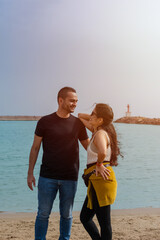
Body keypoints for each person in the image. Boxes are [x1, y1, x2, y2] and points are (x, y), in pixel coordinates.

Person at [27, 87, 89, 240]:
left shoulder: (78, 124)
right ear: (60, 100)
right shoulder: (45, 121)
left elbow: (89, 147)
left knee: (67, 215)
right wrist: (30, 173)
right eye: (72, 100)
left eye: (76, 101)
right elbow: (35, 148)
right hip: (47, 177)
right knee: (43, 214)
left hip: (70, 177)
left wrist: (102, 162)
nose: (75, 104)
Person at [78, 103, 121, 240]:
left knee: (104, 223)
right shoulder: (96, 130)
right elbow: (79, 116)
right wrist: (94, 117)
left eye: (93, 113)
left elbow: (102, 151)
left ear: (100, 120)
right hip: (96, 180)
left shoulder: (100, 134)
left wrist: (99, 164)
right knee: (85, 217)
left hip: (102, 179)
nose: (90, 115)